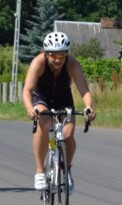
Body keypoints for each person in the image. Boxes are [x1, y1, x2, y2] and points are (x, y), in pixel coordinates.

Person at [22, 31, 96, 194]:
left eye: (62, 55)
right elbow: (27, 90)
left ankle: (67, 170)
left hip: (63, 99)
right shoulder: (38, 63)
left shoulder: (72, 65)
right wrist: (30, 108)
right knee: (44, 121)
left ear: (66, 54)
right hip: (41, 98)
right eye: (54, 56)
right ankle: (40, 171)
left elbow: (84, 91)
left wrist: (88, 107)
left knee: (68, 135)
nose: (58, 60)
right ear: (46, 54)